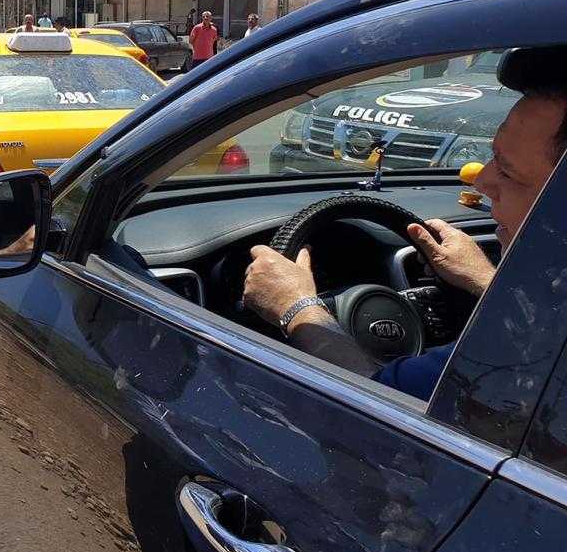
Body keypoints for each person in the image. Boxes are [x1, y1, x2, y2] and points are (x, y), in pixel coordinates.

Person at [243, 46, 567, 401]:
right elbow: (547, 324)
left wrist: (296, 308)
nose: (482, 180)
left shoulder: (510, 360)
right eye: (492, 158)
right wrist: (484, 281)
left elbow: (376, 402)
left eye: (507, 172)